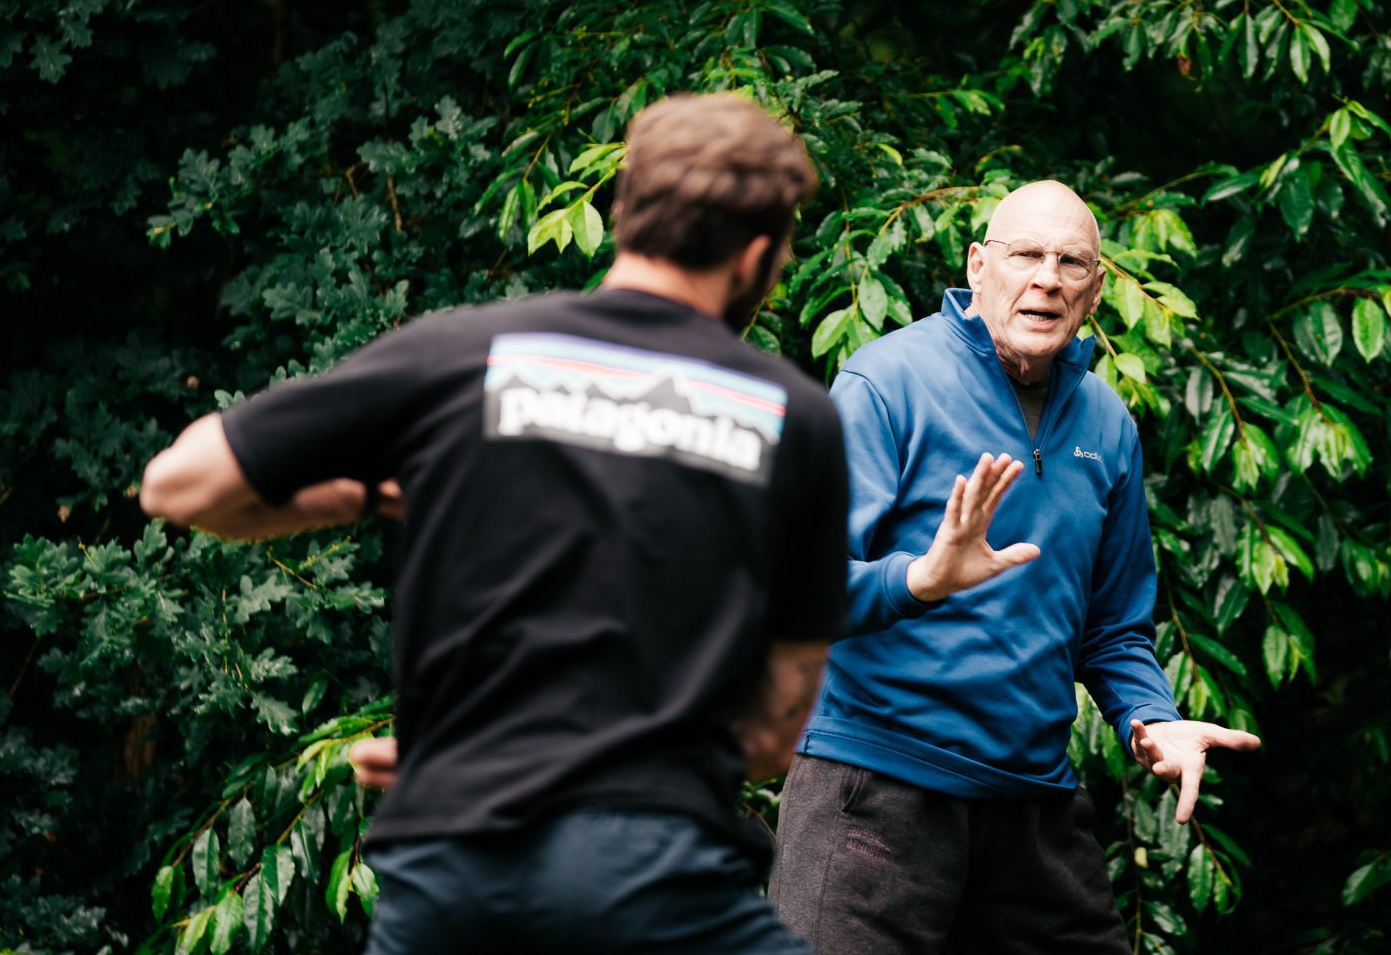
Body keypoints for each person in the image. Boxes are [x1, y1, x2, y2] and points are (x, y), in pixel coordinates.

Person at [142, 92, 885, 954]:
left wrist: (370, 493)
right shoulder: (794, 416)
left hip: (453, 879)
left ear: (622, 214)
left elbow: (179, 485)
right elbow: (769, 737)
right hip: (663, 888)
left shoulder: (462, 354)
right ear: (756, 253)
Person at [767, 180, 1261, 955]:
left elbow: (1114, 628)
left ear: (1094, 291)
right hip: (874, 794)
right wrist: (919, 579)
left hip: (1031, 809)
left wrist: (1154, 718)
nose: (1047, 278)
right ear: (978, 265)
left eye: (1071, 263)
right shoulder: (885, 382)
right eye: (1025, 254)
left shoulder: (1106, 421)